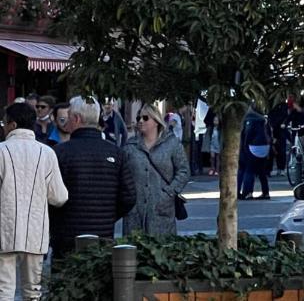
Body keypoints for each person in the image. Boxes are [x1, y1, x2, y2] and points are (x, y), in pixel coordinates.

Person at [50, 96, 136, 259]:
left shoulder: (60, 153)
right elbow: (129, 196)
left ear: (76, 119)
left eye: (68, 117)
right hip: (103, 234)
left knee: (65, 281)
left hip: (67, 237)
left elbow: (51, 196)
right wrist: (109, 215)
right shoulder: (116, 153)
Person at [0, 101, 68, 301]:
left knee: (4, 290)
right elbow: (59, 197)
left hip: (3, 232)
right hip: (36, 233)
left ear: (12, 125)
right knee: (33, 292)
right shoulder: (47, 153)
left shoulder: (1, 151)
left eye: (4, 123)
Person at [124, 103, 189, 235]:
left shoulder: (171, 143)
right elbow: (122, 174)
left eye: (145, 118)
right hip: (135, 212)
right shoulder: (130, 146)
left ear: (156, 121)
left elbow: (184, 171)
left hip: (162, 210)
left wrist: (168, 193)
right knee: (134, 251)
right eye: (138, 118)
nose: (141, 121)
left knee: (162, 249)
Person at [238, 102, 273, 200]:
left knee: (249, 170)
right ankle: (265, 192)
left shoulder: (249, 119)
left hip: (254, 146)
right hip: (265, 146)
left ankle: (247, 192)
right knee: (261, 171)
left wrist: (244, 146)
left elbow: (248, 134)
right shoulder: (264, 119)